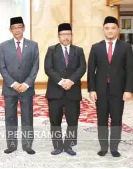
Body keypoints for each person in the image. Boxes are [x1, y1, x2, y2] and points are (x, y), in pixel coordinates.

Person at [87, 16, 133, 157]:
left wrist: (128, 90)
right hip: (101, 90)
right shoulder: (96, 47)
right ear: (103, 30)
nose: (110, 31)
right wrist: (92, 89)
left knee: (116, 118)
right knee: (101, 118)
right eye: (107, 28)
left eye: (113, 28)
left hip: (119, 91)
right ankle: (103, 146)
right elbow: (91, 70)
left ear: (117, 30)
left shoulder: (125, 47)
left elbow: (130, 70)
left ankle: (114, 147)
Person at [44, 23, 86, 156]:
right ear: (58, 36)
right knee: (55, 120)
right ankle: (57, 146)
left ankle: (68, 145)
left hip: (72, 91)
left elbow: (82, 68)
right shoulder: (51, 50)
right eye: (63, 34)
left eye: (68, 34)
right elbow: (48, 68)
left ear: (72, 36)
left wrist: (71, 81)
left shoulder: (78, 50)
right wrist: (62, 81)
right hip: (55, 91)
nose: (66, 37)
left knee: (72, 120)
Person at [0, 16, 39, 155]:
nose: (17, 30)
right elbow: (2, 68)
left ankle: (27, 145)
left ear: (24, 28)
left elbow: (35, 66)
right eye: (14, 28)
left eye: (19, 27)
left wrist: (27, 84)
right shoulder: (4, 46)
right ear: (10, 30)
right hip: (10, 88)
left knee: (27, 116)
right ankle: (11, 144)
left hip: (27, 89)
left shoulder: (33, 45)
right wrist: (14, 84)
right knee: (10, 117)